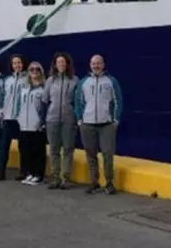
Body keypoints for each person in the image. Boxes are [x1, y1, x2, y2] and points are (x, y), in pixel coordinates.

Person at [75, 54, 122, 194]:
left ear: (103, 65)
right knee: (91, 154)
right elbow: (78, 101)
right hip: (87, 124)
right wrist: (80, 119)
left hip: (106, 124)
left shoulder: (111, 81)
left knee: (108, 154)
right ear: (90, 65)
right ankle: (93, 182)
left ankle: (109, 182)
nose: (96, 66)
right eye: (94, 63)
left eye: (99, 63)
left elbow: (118, 101)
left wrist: (115, 120)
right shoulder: (84, 82)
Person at [45, 52, 78, 190]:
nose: (61, 64)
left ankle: (66, 178)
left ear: (67, 64)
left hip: (68, 119)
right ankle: (55, 177)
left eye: (63, 62)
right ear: (55, 64)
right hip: (52, 119)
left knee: (68, 149)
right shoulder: (50, 80)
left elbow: (78, 101)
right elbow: (45, 99)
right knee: (54, 149)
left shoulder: (75, 80)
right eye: (59, 62)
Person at [0, 54, 27, 182]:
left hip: (21, 119)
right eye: (14, 63)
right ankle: (0, 171)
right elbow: (2, 96)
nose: (17, 65)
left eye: (19, 62)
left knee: (23, 146)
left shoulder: (27, 79)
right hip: (8, 117)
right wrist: (2, 109)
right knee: (3, 146)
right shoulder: (7, 80)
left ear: (23, 64)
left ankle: (23, 171)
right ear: (11, 65)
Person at [16, 61, 49, 185]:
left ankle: (38, 174)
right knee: (25, 150)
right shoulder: (24, 88)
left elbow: (45, 107)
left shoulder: (44, 88)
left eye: (37, 69)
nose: (34, 72)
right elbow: (19, 104)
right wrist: (19, 117)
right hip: (24, 124)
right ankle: (29, 172)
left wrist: (43, 122)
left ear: (41, 72)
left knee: (38, 150)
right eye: (32, 69)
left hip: (37, 125)